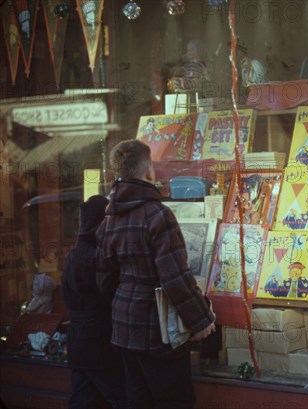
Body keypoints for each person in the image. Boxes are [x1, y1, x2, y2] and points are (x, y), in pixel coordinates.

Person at [95, 139, 216, 408]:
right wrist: (201, 320)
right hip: (158, 329)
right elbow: (175, 278)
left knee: (138, 400)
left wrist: (125, 301)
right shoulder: (158, 215)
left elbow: (104, 279)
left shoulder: (109, 220)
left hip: (124, 327)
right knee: (176, 400)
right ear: (149, 171)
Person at [61, 195, 127, 409]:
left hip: (79, 341)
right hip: (98, 340)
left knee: (83, 398)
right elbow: (110, 294)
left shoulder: (73, 254)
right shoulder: (96, 256)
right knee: (120, 397)